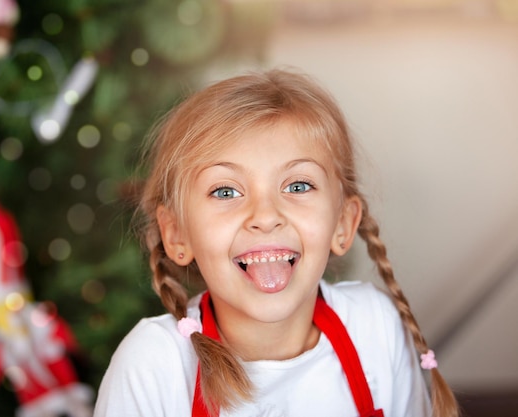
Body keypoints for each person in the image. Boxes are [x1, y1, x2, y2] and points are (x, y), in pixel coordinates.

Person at [93, 69, 459, 417]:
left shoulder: (374, 327)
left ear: (343, 224)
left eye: (298, 186)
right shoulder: (155, 363)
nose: (266, 216)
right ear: (176, 234)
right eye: (225, 190)